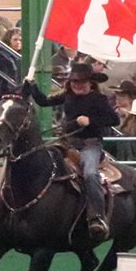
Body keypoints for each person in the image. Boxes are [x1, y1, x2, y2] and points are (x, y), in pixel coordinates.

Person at [24, 62, 119, 240]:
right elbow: (43, 101)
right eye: (74, 82)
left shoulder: (99, 99)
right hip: (67, 144)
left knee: (90, 174)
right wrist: (32, 85)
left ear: (91, 83)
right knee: (41, 161)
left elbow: (114, 120)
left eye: (81, 82)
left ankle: (97, 216)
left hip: (90, 145)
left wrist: (90, 120)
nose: (77, 85)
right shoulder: (67, 95)